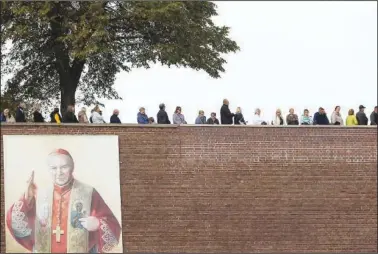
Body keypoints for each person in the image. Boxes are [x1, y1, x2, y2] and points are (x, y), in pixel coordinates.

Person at [6, 149, 121, 253]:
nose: (59, 172)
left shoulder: (88, 193)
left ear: (72, 167)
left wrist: (97, 224)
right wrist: (27, 198)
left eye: (64, 167)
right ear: (48, 169)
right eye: (53, 168)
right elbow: (16, 224)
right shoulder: (41, 194)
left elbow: (113, 225)